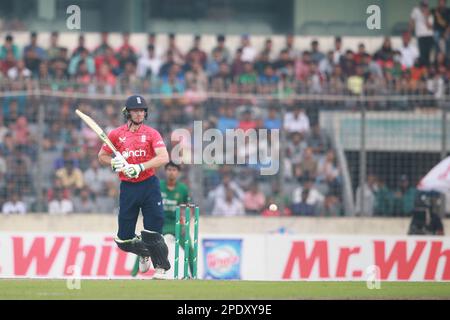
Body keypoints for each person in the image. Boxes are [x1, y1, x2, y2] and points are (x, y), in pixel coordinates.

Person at [97, 95, 170, 279]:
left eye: (142, 111)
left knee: (152, 231)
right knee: (123, 239)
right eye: (135, 111)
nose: (139, 114)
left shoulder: (152, 133)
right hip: (128, 188)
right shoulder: (116, 134)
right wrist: (115, 163)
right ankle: (144, 252)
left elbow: (163, 157)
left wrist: (139, 167)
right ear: (127, 113)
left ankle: (161, 267)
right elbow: (102, 156)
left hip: (149, 185)